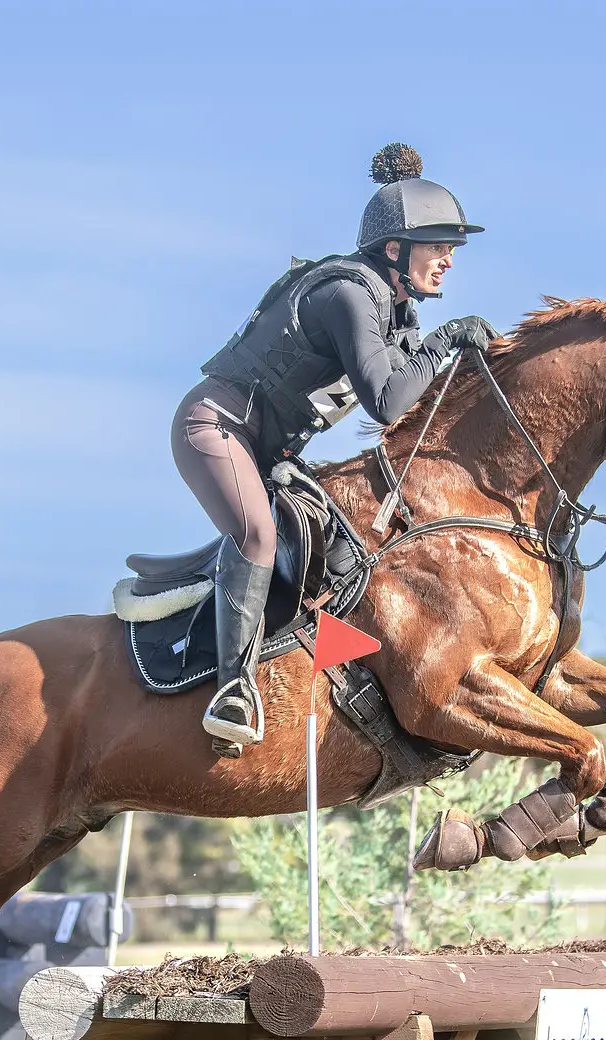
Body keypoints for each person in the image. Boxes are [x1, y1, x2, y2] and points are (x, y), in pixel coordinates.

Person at [177, 142, 497, 753]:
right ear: (395, 248)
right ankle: (232, 691)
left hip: (270, 456)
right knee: (257, 539)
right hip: (215, 427)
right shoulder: (351, 292)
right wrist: (449, 340)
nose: (450, 260)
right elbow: (387, 399)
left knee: (346, 554)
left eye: (452, 248)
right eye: (438, 246)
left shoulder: (394, 312)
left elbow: (409, 407)